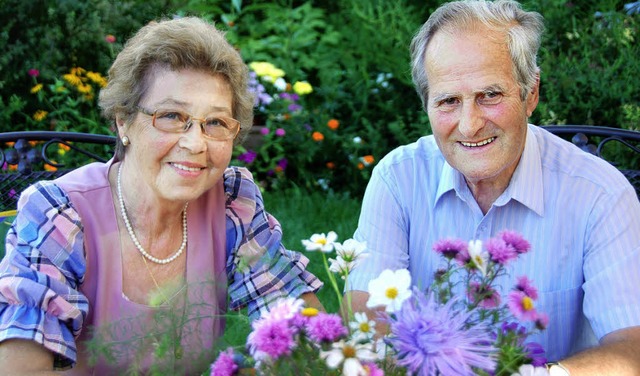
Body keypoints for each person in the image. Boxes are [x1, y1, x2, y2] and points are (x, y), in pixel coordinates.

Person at [0, 17, 323, 375]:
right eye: (171, 116)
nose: (195, 143)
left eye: (215, 123)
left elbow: (302, 328)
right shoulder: (59, 214)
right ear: (124, 121)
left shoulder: (232, 204)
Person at [344, 1, 640, 375]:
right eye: (449, 101)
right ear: (427, 106)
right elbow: (367, 320)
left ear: (530, 93)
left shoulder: (600, 195)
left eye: (490, 95)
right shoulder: (397, 180)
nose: (469, 125)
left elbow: (632, 348)